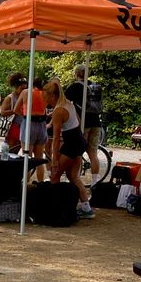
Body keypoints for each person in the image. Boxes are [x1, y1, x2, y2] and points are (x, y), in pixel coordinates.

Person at [44, 78, 94, 217]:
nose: (43, 98)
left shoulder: (58, 111)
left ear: (52, 96)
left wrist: (54, 159)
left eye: (45, 95)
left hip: (72, 143)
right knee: (73, 176)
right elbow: (76, 120)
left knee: (55, 175)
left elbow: (55, 139)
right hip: (78, 140)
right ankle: (86, 208)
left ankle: (55, 208)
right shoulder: (68, 104)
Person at [65, 67, 104, 184]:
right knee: (93, 153)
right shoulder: (95, 86)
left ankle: (75, 180)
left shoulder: (74, 87)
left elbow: (64, 101)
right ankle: (95, 182)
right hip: (96, 122)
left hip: (83, 122)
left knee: (78, 152)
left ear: (76, 74)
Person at [16, 76, 48, 181]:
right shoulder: (45, 94)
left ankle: (26, 185)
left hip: (29, 123)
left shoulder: (26, 92)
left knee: (27, 158)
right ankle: (41, 184)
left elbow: (16, 109)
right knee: (39, 159)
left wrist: (24, 114)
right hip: (42, 124)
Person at [0, 73, 27, 153]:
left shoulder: (26, 97)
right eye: (21, 88)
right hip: (13, 126)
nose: (23, 91)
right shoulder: (10, 98)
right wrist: (14, 111)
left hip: (23, 126)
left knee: (19, 148)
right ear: (16, 87)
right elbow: (3, 112)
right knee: (11, 149)